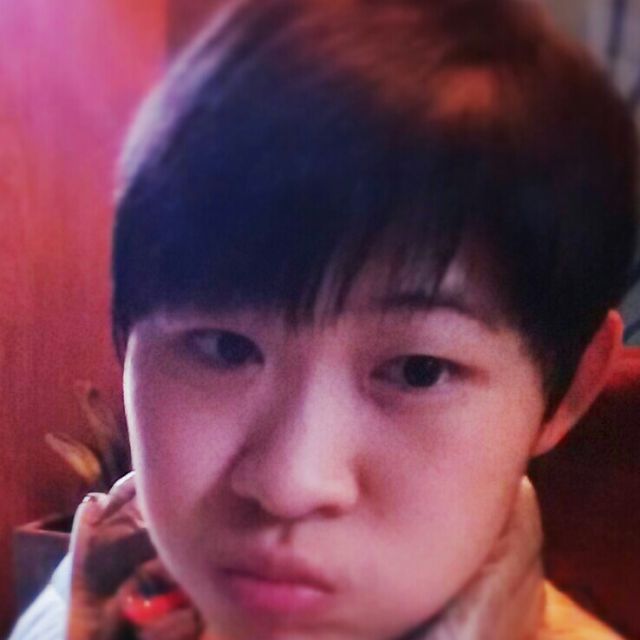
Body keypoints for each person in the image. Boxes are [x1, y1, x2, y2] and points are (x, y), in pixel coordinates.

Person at [10, 0, 639, 638]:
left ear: (569, 390)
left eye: (418, 370)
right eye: (225, 348)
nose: (291, 484)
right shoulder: (85, 600)